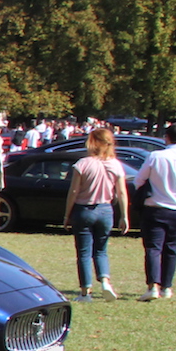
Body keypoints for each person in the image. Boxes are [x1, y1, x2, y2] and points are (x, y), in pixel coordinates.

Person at [133, 122, 176, 300]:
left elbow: (139, 180)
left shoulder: (156, 156)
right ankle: (167, 287)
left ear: (167, 137)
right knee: (171, 247)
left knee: (153, 248)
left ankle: (152, 286)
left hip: (155, 207)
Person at [61, 126, 129, 301]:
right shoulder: (116, 165)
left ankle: (86, 292)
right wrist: (124, 215)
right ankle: (105, 282)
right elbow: (121, 192)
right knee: (101, 250)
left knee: (84, 252)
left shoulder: (83, 164)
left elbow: (74, 191)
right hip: (105, 210)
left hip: (84, 209)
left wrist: (67, 214)